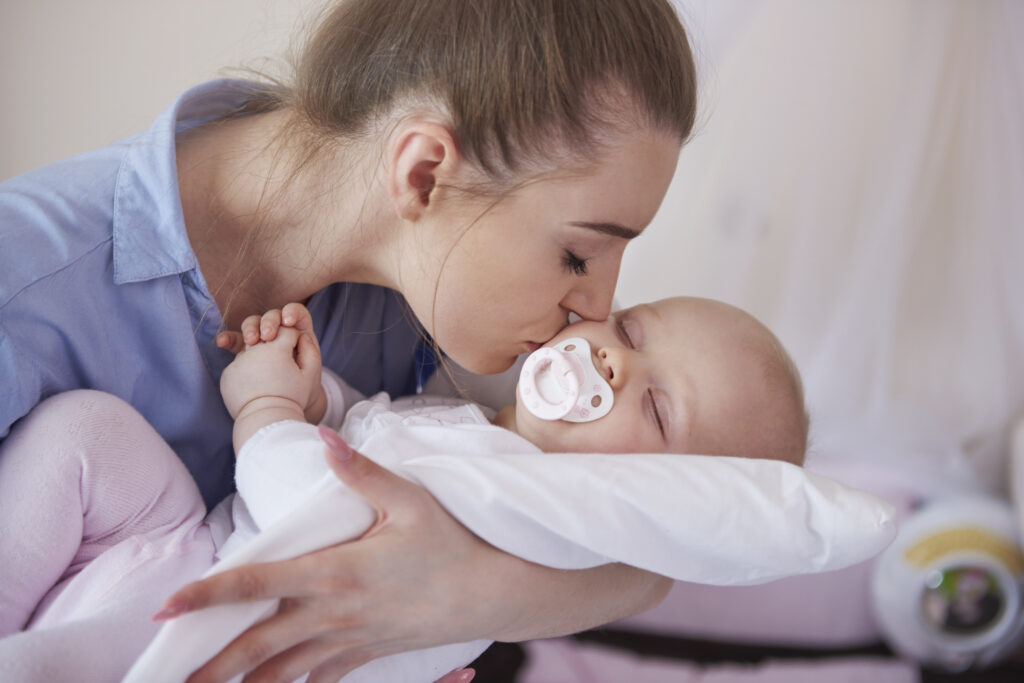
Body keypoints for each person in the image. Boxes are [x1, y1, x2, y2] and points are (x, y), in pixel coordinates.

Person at [0, 1, 697, 680]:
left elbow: (662, 538)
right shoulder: (26, 284)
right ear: (423, 173)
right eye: (578, 256)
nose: (596, 308)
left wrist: (459, 597)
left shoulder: (427, 303)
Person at [0, 296, 807, 681]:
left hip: (226, 630)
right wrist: (325, 400)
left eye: (656, 407)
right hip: (203, 543)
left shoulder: (527, 515)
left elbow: (320, 517)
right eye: (629, 331)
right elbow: (384, 432)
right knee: (87, 433)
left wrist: (270, 409)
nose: (611, 363)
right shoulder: (490, 428)